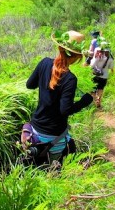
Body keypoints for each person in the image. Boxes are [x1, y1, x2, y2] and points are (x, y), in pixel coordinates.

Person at [24, 30, 94, 164]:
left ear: (59, 48)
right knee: (55, 168)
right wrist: (85, 101)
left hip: (35, 129)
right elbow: (65, 110)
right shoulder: (70, 79)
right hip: (54, 134)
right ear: (77, 57)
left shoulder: (44, 63)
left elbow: (30, 85)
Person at [90, 41, 114, 109]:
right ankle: (99, 101)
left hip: (94, 75)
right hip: (104, 76)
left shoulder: (97, 56)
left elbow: (91, 66)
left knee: (93, 90)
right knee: (100, 89)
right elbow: (111, 67)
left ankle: (95, 100)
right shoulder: (110, 58)